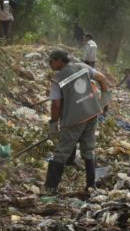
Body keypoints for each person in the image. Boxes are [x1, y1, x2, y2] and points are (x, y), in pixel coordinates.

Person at [45, 49, 110, 194]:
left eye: (51, 61)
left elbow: (56, 105)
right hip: (92, 113)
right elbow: (102, 79)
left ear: (59, 60)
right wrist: (104, 101)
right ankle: (91, 186)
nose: (50, 64)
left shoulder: (57, 79)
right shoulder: (82, 66)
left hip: (74, 119)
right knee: (88, 149)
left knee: (61, 152)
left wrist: (53, 125)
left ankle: (50, 188)